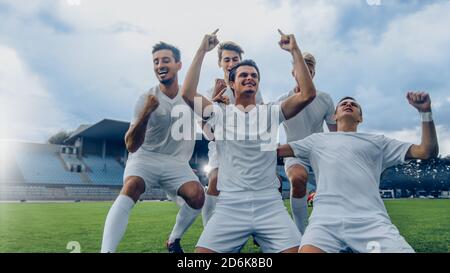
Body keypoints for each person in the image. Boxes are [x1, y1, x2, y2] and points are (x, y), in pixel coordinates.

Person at [182, 29, 316, 253]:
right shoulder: (219, 113)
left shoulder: (271, 112)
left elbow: (307, 94)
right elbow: (187, 93)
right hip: (230, 206)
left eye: (254, 75)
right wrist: (201, 51)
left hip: (269, 204)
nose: (249, 78)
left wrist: (294, 50)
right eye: (243, 75)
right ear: (232, 84)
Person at [277, 92, 439, 253]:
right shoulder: (316, 140)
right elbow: (276, 151)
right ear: (334, 117)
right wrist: (258, 125)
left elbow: (426, 151)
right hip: (324, 224)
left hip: (371, 224)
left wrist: (425, 113)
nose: (348, 105)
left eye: (354, 105)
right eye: (343, 104)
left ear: (360, 118)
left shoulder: (377, 142)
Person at [101, 42, 205, 253]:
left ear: (178, 65)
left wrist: (217, 103)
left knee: (197, 196)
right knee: (131, 187)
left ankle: (173, 240)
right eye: (156, 62)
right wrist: (146, 113)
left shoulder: (192, 98)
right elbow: (131, 145)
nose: (160, 65)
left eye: (165, 60)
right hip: (145, 157)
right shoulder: (146, 98)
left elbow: (210, 123)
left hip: (176, 162)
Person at [202, 41, 264, 226]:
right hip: (220, 147)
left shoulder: (251, 88)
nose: (230, 63)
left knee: (265, 183)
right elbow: (207, 133)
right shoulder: (209, 91)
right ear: (219, 63)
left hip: (247, 146)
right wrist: (214, 103)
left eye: (235, 59)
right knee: (215, 180)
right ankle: (208, 230)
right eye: (226, 59)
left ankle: (259, 227)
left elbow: (260, 121)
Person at [277, 52, 337, 234]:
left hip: (320, 151)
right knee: (297, 178)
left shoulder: (325, 98)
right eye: (301, 71)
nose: (305, 75)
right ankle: (302, 233)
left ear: (313, 74)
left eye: (309, 72)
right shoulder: (282, 100)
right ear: (293, 72)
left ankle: (330, 228)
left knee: (334, 185)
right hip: (294, 152)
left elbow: (336, 133)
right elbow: (265, 127)